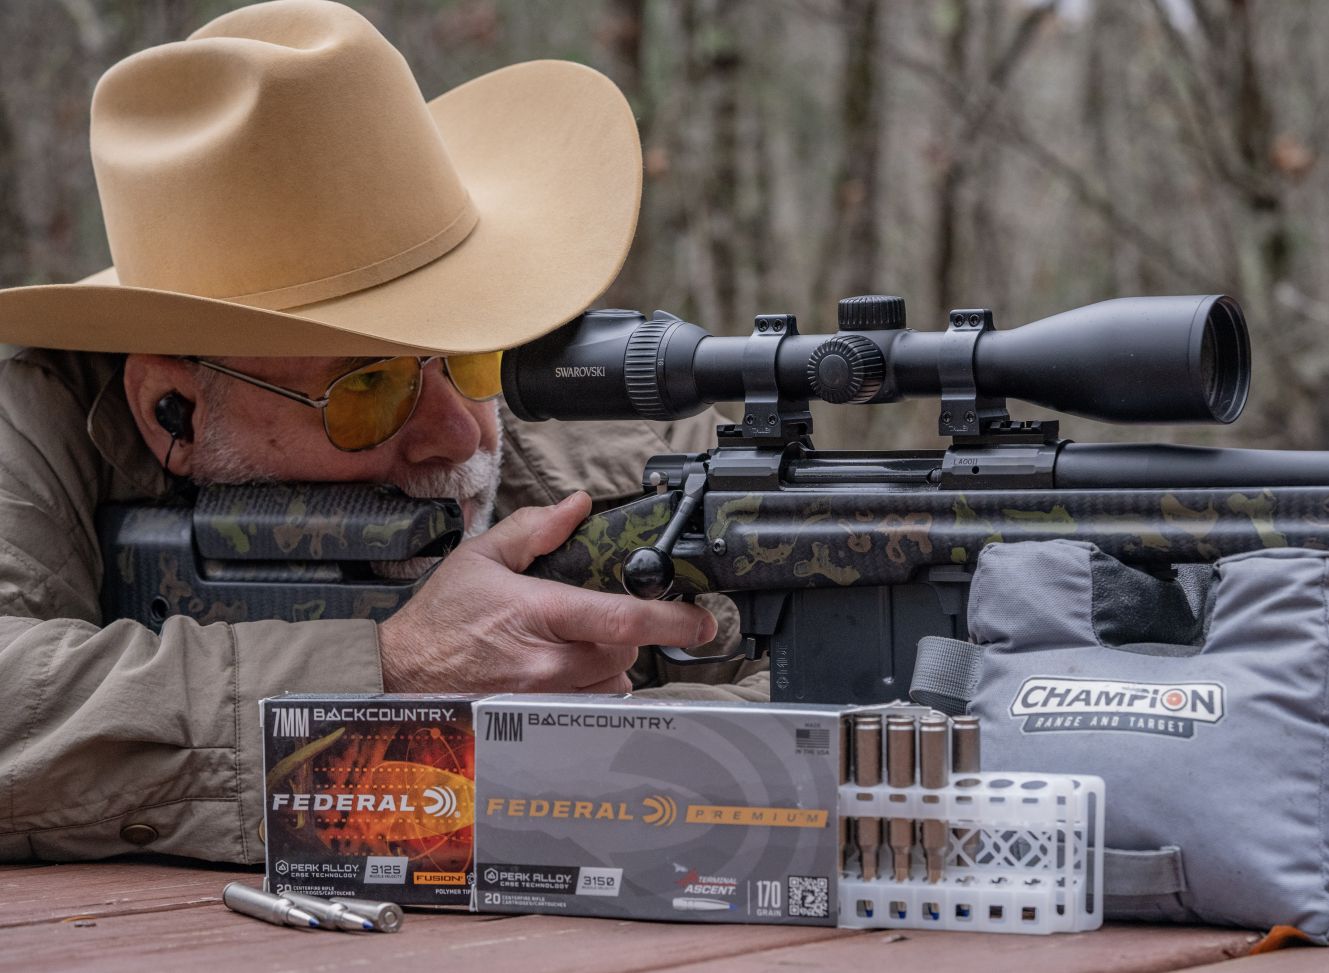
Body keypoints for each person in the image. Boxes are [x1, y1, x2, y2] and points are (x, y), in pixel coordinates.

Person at [0, 0, 764, 864]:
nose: (463, 433)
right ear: (171, 407)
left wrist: (569, 752)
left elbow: (880, 702)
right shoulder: (35, 420)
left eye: (472, 356)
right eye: (366, 388)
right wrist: (387, 671)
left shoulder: (647, 448)